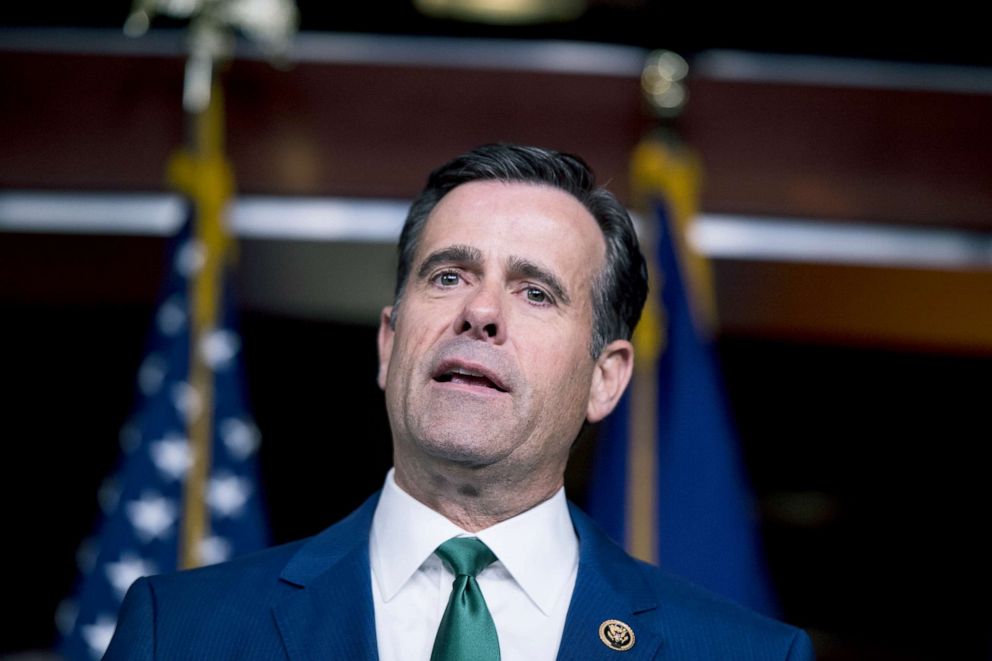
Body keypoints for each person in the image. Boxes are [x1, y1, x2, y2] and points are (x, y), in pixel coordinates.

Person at [105, 144, 815, 660]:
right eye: (448, 276)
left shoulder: (742, 654)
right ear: (389, 343)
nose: (481, 311)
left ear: (606, 378)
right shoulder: (181, 632)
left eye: (535, 292)